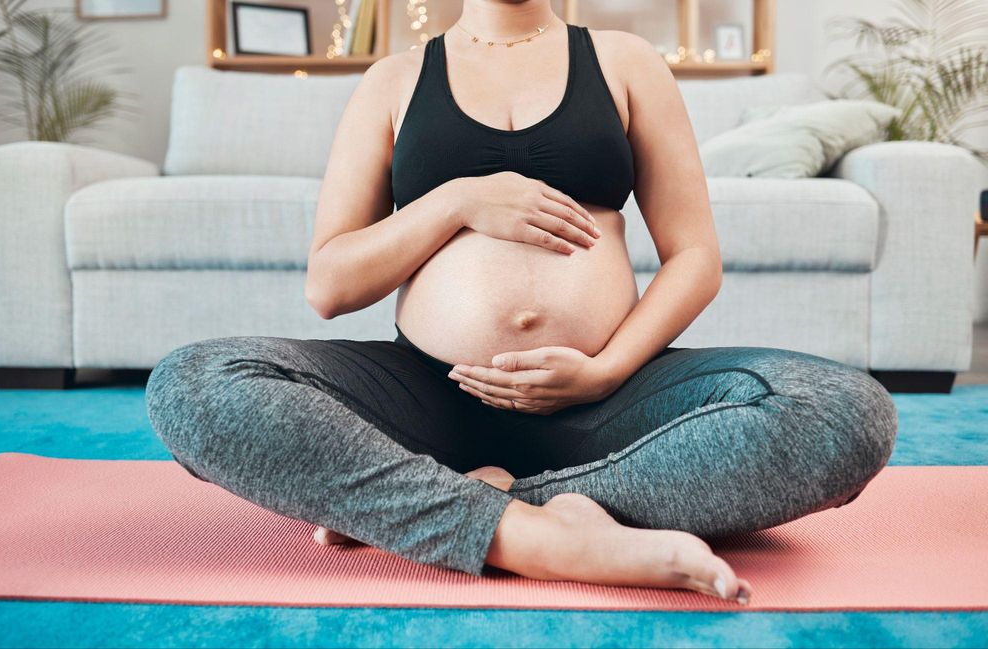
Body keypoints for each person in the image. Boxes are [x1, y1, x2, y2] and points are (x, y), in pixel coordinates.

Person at [145, 0, 898, 604]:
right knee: (193, 384)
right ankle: (547, 536)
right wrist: (460, 201)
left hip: (607, 406)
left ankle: (434, 506)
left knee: (841, 409)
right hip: (426, 400)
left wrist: (605, 370)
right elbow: (330, 285)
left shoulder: (624, 61)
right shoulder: (394, 79)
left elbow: (696, 258)